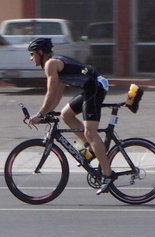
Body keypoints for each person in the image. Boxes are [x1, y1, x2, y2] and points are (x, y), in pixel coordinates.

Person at [27, 37, 117, 194]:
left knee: (90, 132)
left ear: (41, 52)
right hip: (91, 86)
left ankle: (108, 175)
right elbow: (56, 97)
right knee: (66, 114)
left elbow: (50, 93)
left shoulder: (51, 64)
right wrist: (45, 114)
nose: (31, 58)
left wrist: (40, 114)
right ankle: (90, 150)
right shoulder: (56, 65)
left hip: (95, 86)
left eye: (32, 54)